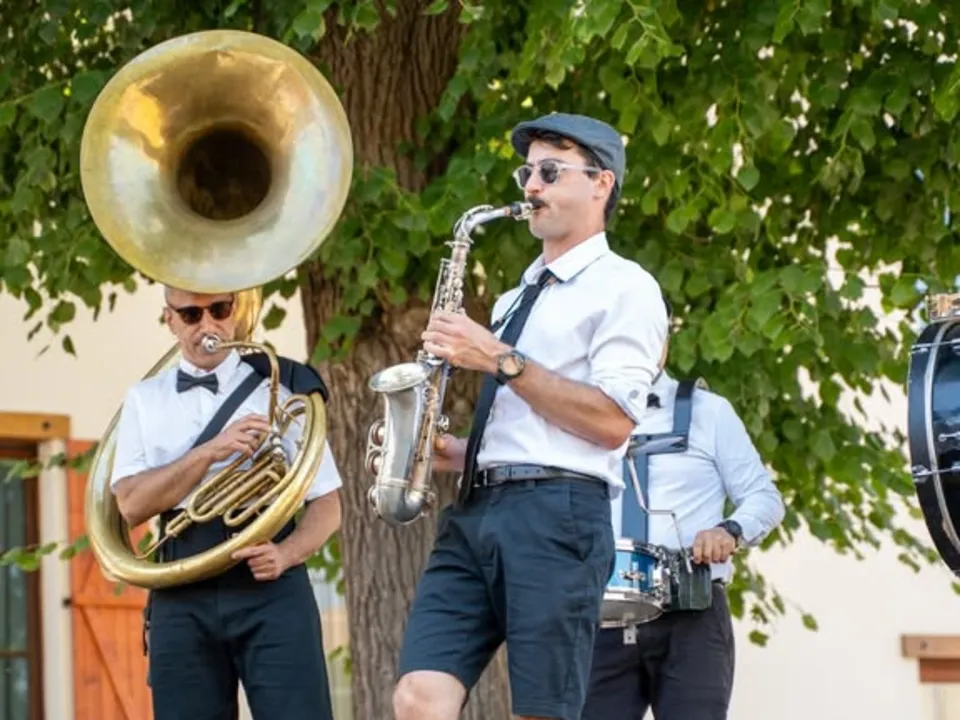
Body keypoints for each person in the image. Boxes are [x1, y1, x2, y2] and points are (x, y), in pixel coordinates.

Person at [391, 112, 669, 720]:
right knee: (417, 696)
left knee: (540, 711)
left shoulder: (626, 287)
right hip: (477, 508)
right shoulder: (517, 295)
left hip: (559, 514)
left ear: (601, 183)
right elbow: (531, 421)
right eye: (527, 173)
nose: (531, 186)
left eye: (550, 171)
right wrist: (457, 452)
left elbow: (612, 423)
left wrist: (497, 357)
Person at [110, 285, 342, 720]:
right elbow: (131, 505)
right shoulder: (144, 398)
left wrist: (287, 554)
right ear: (170, 320)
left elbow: (328, 505)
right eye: (191, 315)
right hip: (182, 584)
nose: (208, 324)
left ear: (235, 312)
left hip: (270, 583)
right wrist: (210, 452)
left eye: (219, 309)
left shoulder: (281, 388)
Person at [580, 305, 786, 720]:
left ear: (663, 343)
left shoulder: (710, 412)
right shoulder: (576, 418)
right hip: (601, 611)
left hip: (690, 607)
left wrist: (729, 530)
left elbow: (764, 497)